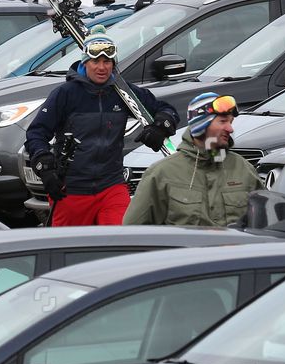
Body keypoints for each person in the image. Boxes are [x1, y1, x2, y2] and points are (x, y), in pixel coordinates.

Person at [25, 35, 178, 226]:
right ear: (85, 63)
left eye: (107, 62)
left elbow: (167, 111)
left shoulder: (122, 92)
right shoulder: (65, 94)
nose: (102, 67)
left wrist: (160, 127)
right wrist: (44, 166)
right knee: (72, 250)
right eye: (96, 61)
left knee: (119, 243)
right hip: (72, 189)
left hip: (111, 186)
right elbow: (36, 133)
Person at [125, 92, 262, 227]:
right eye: (222, 121)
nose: (230, 129)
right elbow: (132, 233)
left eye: (231, 122)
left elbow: (266, 222)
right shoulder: (161, 173)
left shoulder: (244, 169)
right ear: (201, 125)